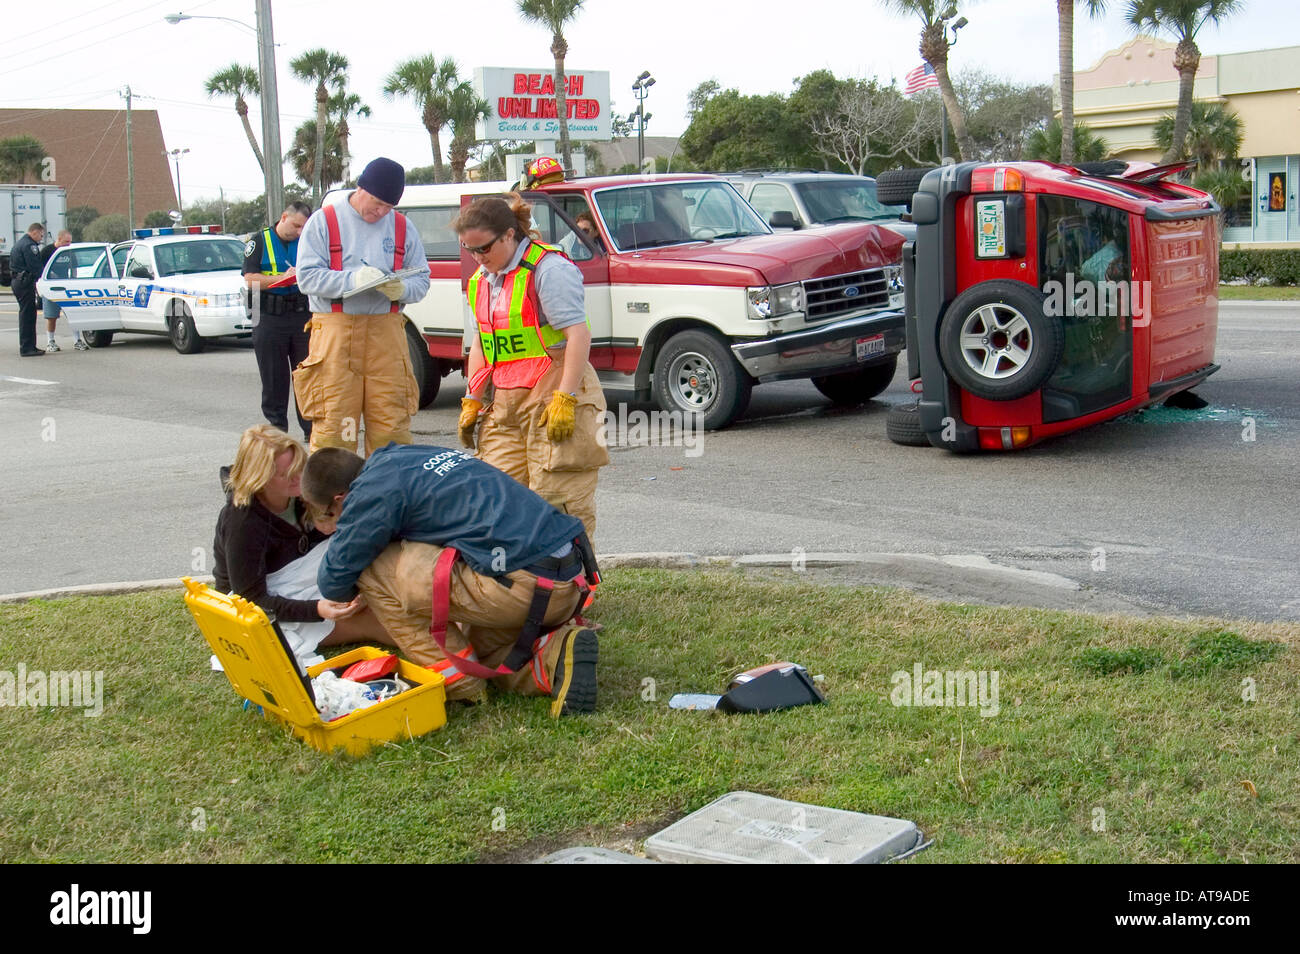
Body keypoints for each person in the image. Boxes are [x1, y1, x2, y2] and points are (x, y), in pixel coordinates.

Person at [301, 443, 599, 716]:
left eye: (331, 513)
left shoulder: (369, 492)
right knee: (483, 655)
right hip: (569, 581)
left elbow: (335, 581)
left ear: (340, 498)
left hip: (521, 585)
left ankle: (460, 686)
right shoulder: (405, 456)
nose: (336, 520)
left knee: (370, 570)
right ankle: (558, 656)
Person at [453, 192, 609, 541]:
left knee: (559, 502)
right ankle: (520, 588)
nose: (478, 258)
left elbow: (578, 335)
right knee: (498, 498)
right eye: (469, 249)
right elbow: (483, 343)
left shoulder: (549, 270)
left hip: (555, 391)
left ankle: (571, 590)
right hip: (506, 401)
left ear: (509, 234)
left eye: (484, 248)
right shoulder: (482, 279)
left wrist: (565, 399)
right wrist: (472, 398)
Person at [212, 424, 395, 669]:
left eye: (299, 467)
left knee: (385, 585)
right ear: (260, 477)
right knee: (373, 620)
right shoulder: (242, 521)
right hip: (275, 603)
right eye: (285, 474)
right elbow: (251, 599)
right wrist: (317, 609)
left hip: (313, 582)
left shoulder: (302, 493)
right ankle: (447, 652)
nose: (298, 478)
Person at [293, 157, 430, 456]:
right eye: (377, 202)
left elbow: (422, 280)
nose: (380, 212)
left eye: (388, 207)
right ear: (360, 187)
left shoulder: (404, 228)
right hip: (336, 336)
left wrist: (401, 289)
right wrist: (353, 280)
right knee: (336, 429)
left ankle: (389, 498)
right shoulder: (323, 221)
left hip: (387, 336)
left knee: (391, 429)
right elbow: (307, 278)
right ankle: (331, 502)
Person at [243, 201, 314, 439]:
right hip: (269, 316)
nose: (299, 232)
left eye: (303, 227)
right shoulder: (259, 240)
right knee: (274, 377)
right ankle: (277, 432)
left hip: (301, 314)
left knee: (306, 374)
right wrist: (281, 278)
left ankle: (311, 429)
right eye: (296, 226)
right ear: (284, 217)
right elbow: (250, 278)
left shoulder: (307, 239)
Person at [40, 230, 87, 352]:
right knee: (51, 317)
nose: (68, 244)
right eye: (66, 241)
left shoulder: (70, 251)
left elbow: (75, 268)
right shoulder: (47, 251)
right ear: (59, 239)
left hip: (67, 287)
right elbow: (40, 269)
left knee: (73, 315)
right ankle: (50, 342)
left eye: (70, 241)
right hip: (51, 288)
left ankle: (77, 340)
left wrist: (75, 282)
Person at [10, 223, 46, 357]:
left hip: (19, 282)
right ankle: (27, 348)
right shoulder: (29, 246)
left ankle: (29, 346)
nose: (41, 238)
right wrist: (45, 278)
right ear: (35, 232)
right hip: (24, 283)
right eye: (41, 235)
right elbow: (35, 266)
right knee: (28, 316)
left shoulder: (20, 243)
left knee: (28, 314)